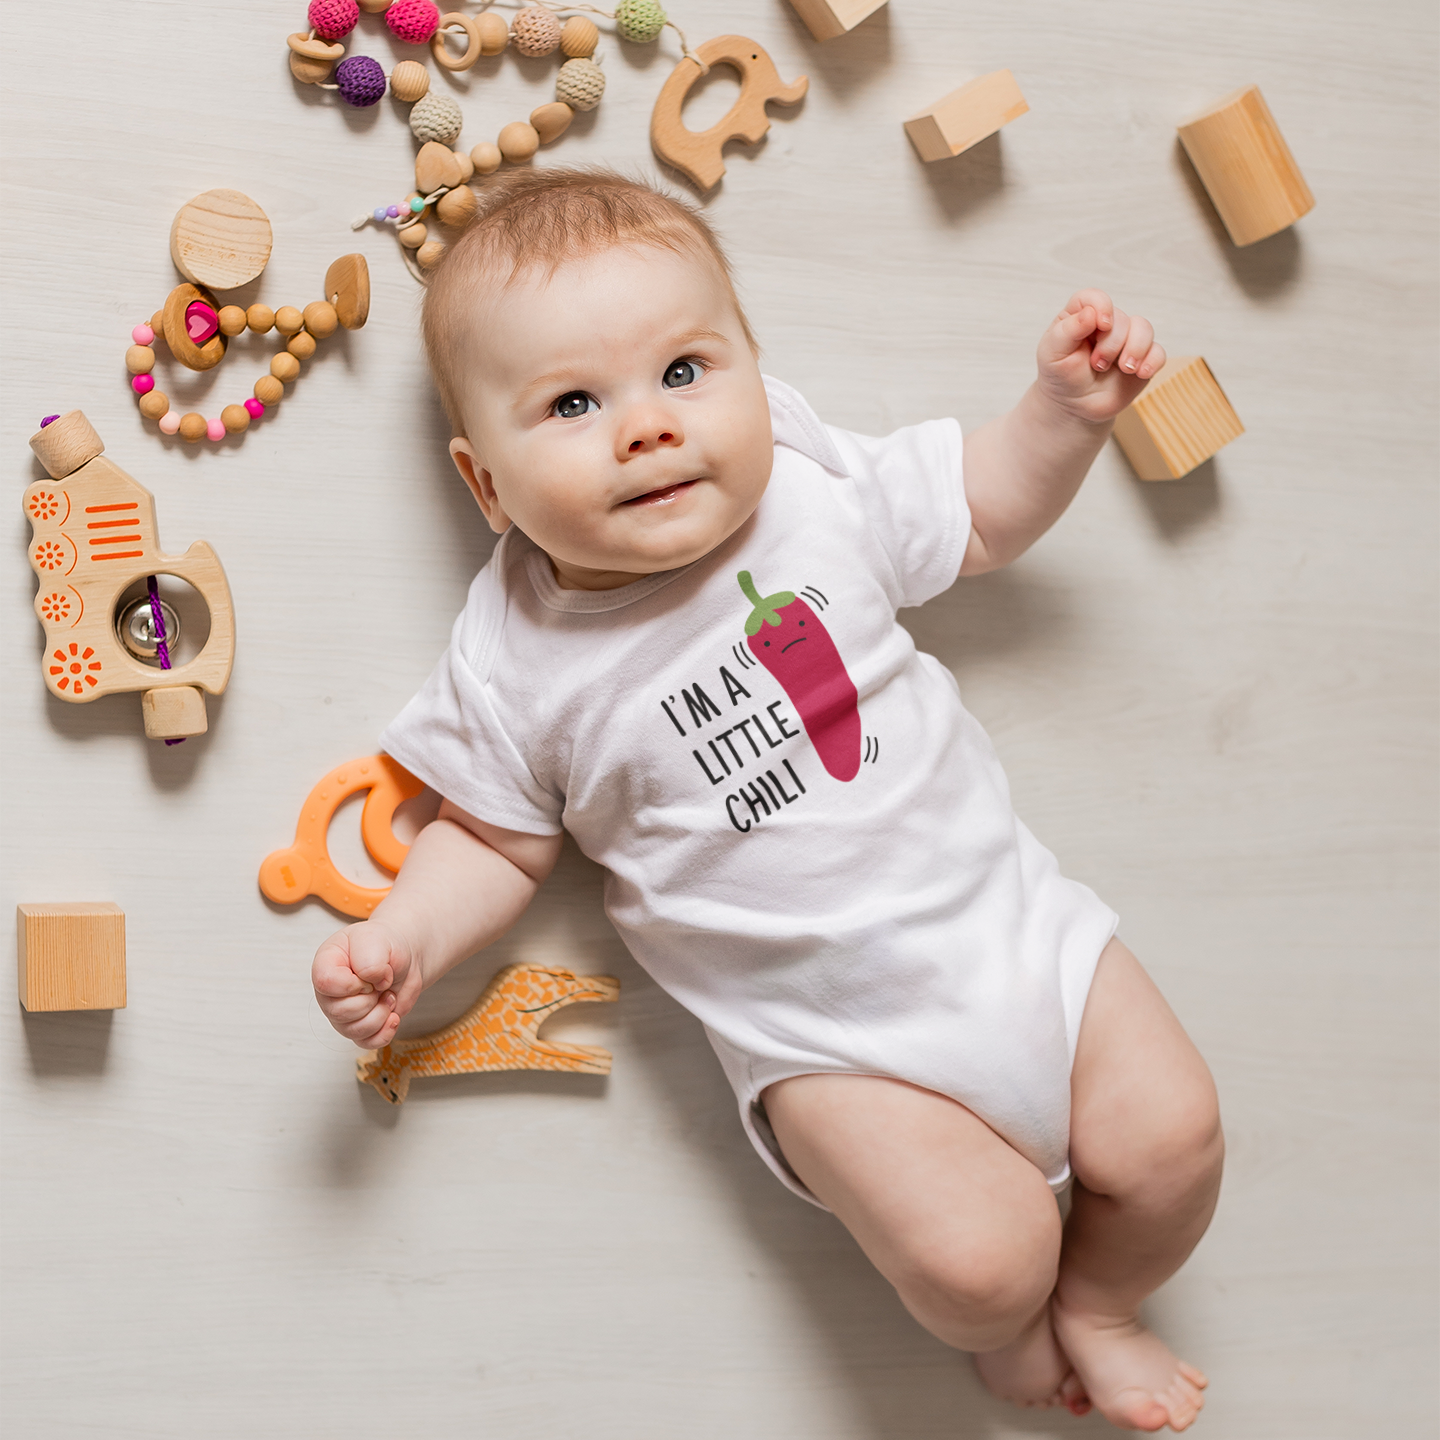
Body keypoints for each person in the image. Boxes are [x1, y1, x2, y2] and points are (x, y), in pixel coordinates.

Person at [312, 169, 1222, 1432]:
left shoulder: (810, 490)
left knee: (1176, 1141)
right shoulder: (516, 652)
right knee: (976, 1262)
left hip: (1019, 937)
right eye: (574, 403)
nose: (646, 427)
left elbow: (982, 515)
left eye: (686, 372)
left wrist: (1063, 414)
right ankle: (1016, 1318)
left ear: (754, 368)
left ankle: (1106, 1304)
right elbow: (494, 841)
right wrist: (404, 939)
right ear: (486, 488)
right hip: (833, 1047)